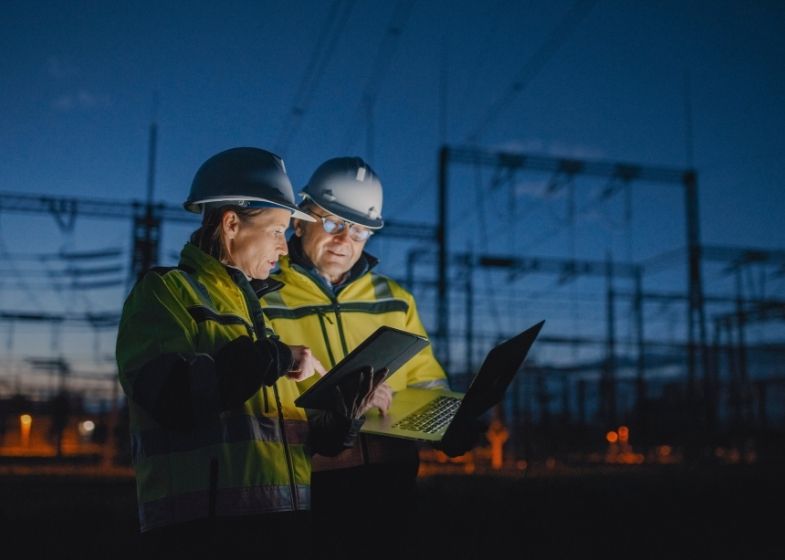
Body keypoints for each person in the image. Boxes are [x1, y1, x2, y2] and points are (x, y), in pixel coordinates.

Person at [115, 147, 385, 559]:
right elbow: (174, 398)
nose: (283, 248)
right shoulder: (165, 293)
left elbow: (280, 438)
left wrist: (341, 423)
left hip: (283, 528)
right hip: (201, 536)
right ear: (231, 225)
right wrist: (275, 359)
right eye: (278, 230)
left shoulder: (257, 314)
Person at [260, 156, 482, 559]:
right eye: (332, 223)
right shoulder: (262, 296)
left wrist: (451, 422)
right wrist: (338, 410)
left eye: (360, 230)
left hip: (390, 487)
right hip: (304, 489)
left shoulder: (395, 299)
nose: (345, 240)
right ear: (299, 220)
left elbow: (426, 381)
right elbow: (256, 402)